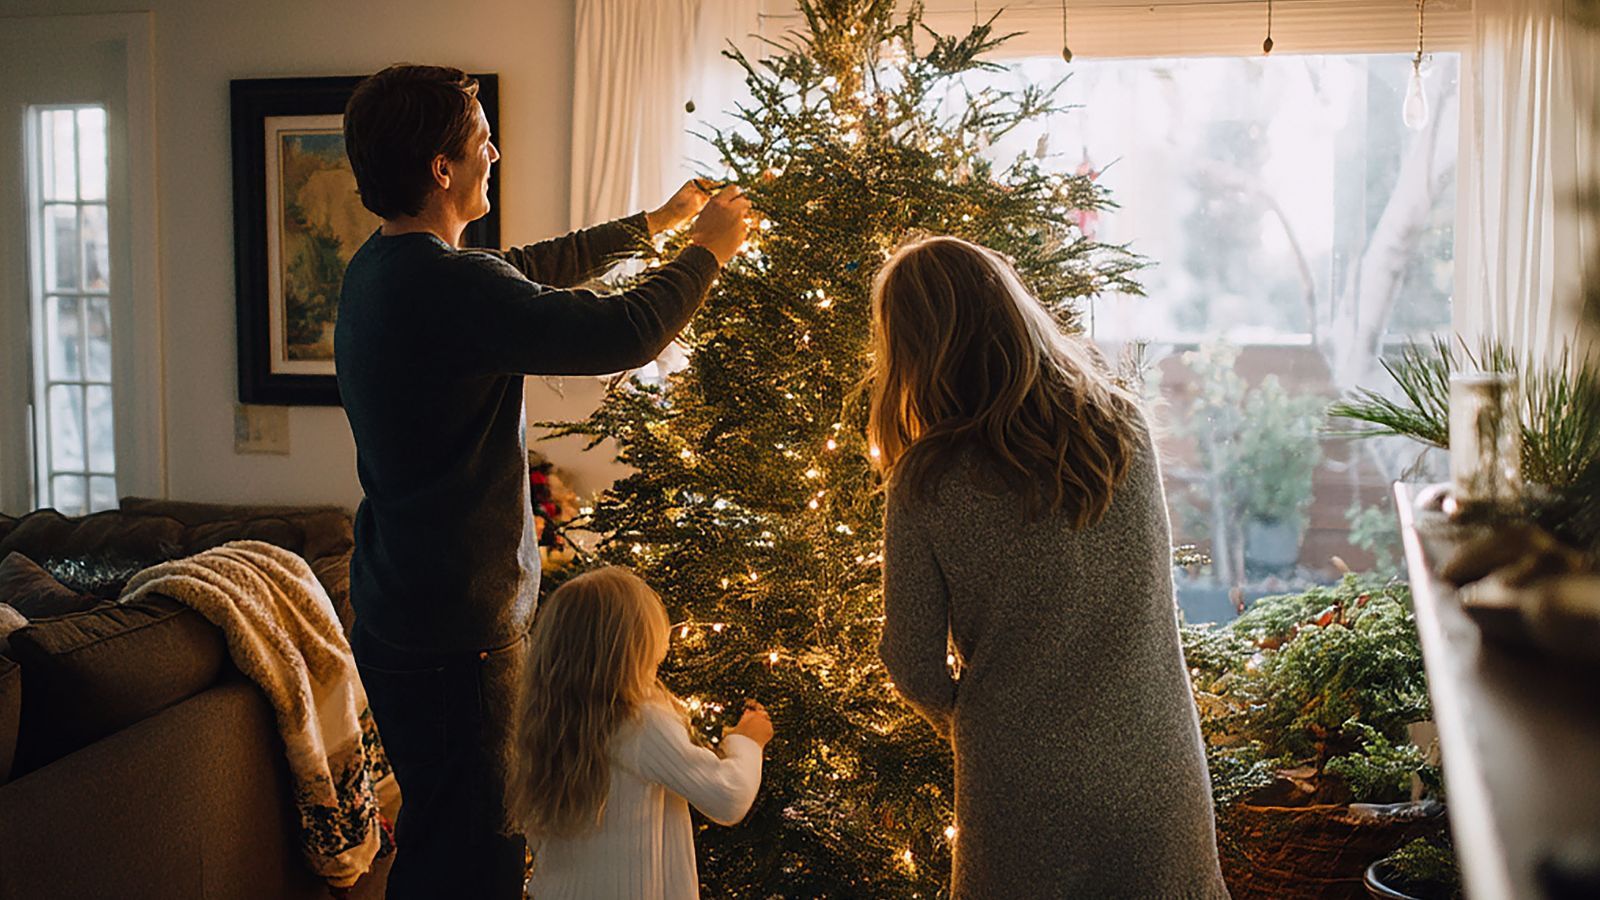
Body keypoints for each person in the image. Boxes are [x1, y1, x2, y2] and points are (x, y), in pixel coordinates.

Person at [335, 63, 749, 899]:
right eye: (481, 139)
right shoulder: (453, 286)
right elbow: (627, 331)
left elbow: (527, 268)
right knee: (476, 859)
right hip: (459, 631)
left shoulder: (380, 269)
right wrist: (708, 248)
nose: (496, 149)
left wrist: (655, 224)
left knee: (435, 830)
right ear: (441, 168)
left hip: (395, 606)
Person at [866, 236, 1230, 899]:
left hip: (1021, 782)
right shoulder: (1124, 428)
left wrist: (984, 718)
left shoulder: (925, 480)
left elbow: (911, 663)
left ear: (913, 349)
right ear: (1011, 310)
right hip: (1157, 761)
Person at [506, 567, 772, 899]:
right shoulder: (639, 721)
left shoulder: (546, 717)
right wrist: (748, 740)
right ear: (637, 644)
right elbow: (728, 797)